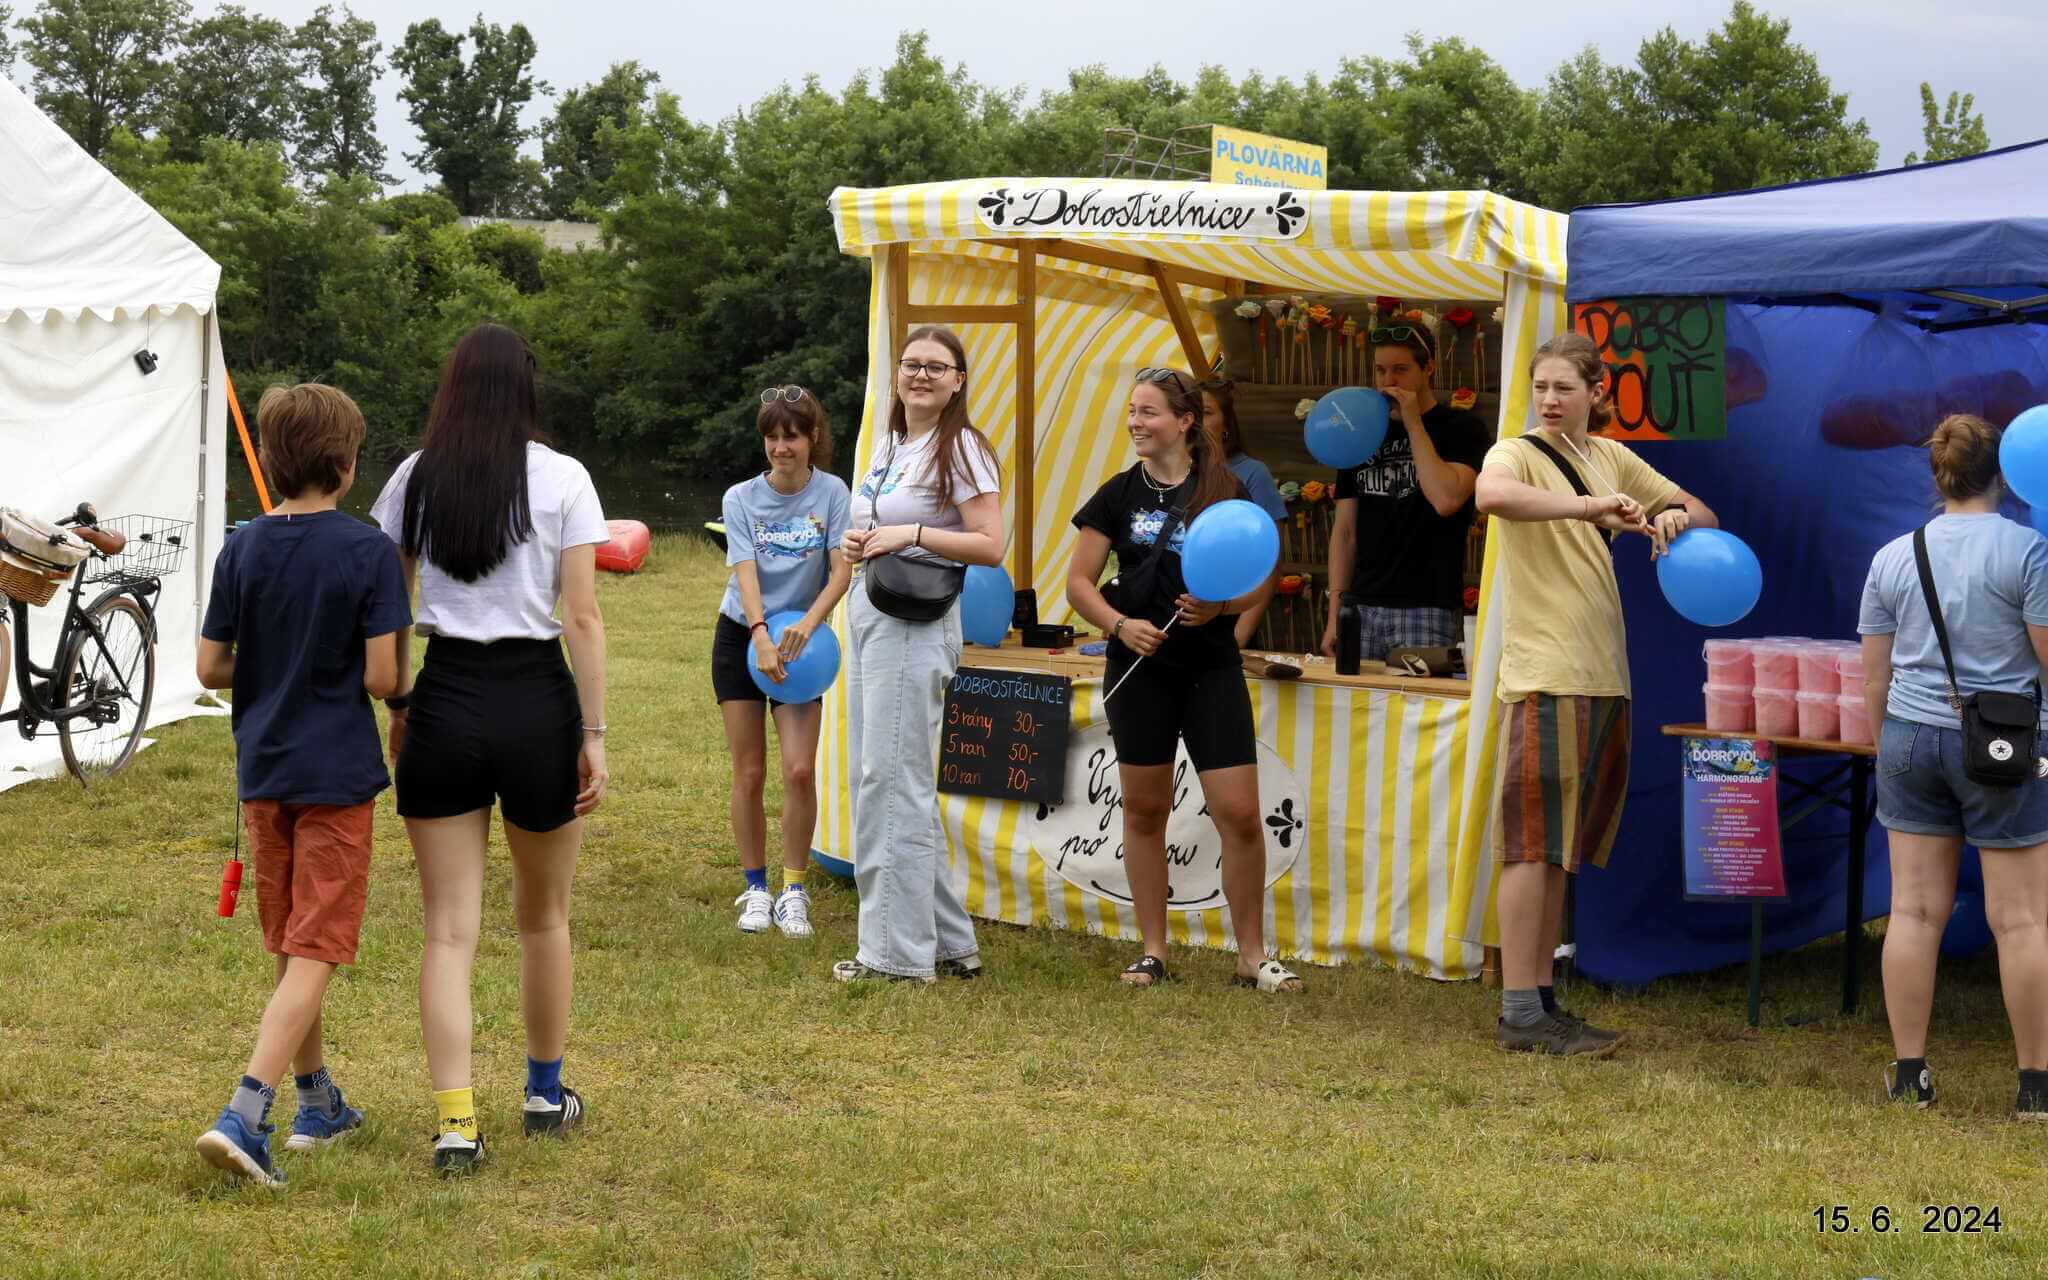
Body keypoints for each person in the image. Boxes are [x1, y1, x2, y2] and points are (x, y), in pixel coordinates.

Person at [370, 324, 610, 1175]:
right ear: (528, 389)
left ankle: (456, 1124)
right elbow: (580, 616)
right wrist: (594, 736)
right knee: (544, 916)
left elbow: (390, 609)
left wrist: (401, 702)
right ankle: (545, 1095)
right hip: (537, 700)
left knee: (448, 932)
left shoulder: (412, 477)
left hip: (444, 697)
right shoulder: (565, 478)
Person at [1473, 331, 1717, 1055]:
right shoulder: (1515, 452)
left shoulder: (1608, 456)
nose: (1549, 401)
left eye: (1564, 389)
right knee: (1530, 847)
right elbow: (1491, 496)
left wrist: (1672, 515)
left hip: (1602, 673)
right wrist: (1587, 510)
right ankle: (1521, 1012)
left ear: (1596, 394)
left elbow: (1701, 510)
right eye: (1541, 387)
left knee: (1560, 850)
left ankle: (1541, 1001)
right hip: (1546, 673)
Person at [194, 384, 411, 1187]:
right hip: (336, 773)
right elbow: (386, 676)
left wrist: (276, 664)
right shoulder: (367, 553)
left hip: (266, 771)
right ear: (347, 466)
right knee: (317, 943)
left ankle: (318, 1100)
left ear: (275, 463)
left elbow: (210, 666)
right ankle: (245, 1113)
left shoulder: (241, 547)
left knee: (291, 938)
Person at [1066, 367, 1299, 992]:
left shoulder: (1226, 490)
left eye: (1148, 413)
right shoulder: (1116, 493)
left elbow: (1257, 578)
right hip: (1140, 667)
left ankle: (1251, 955)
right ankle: (1153, 950)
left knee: (1240, 814)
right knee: (1145, 809)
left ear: (1185, 422)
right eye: (1133, 413)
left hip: (1211, 668)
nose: (1136, 424)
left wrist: (1221, 609)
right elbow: (1079, 584)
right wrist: (1119, 626)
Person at [1858, 413, 2048, 1117]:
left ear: (1938, 476)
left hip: (1908, 737)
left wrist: (1885, 745)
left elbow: (1872, 674)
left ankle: (1910, 1077)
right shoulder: (2028, 552)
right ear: (2003, 476)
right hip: (2003, 746)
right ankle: (2036, 1088)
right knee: (2022, 920)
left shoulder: (1892, 555)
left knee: (1911, 911)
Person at [835, 325, 1004, 982]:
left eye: (939, 367)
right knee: (889, 778)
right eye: (912, 364)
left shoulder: (961, 448)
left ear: (959, 380)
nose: (923, 375)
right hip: (874, 611)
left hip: (916, 622)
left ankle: (893, 956)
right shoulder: (890, 444)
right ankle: (949, 943)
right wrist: (862, 542)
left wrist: (908, 533)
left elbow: (990, 544)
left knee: (891, 783)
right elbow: (873, 525)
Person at [715, 387, 852, 937]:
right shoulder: (740, 498)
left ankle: (794, 889)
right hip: (742, 636)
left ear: (812, 437)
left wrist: (806, 625)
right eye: (771, 437)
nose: (780, 447)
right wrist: (760, 634)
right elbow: (745, 571)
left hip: (804, 642)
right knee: (749, 771)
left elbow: (841, 570)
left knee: (799, 769)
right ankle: (755, 887)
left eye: (790, 436)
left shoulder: (833, 493)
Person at [1324, 324, 1490, 661]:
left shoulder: (1461, 429)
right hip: (1361, 605)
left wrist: (1413, 424)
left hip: (1426, 606)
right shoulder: (1361, 433)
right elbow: (1344, 533)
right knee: (1357, 708)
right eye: (1381, 370)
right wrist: (1334, 615)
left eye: (1401, 370)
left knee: (1416, 709)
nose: (1388, 382)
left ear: (1428, 367)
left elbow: (1446, 500)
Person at [1201, 377, 1286, 650]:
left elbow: (1270, 563)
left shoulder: (1252, 473)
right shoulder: (1171, 473)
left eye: (1206, 412)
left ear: (1227, 423)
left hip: (1229, 619)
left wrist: (1239, 635)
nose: (1195, 421)